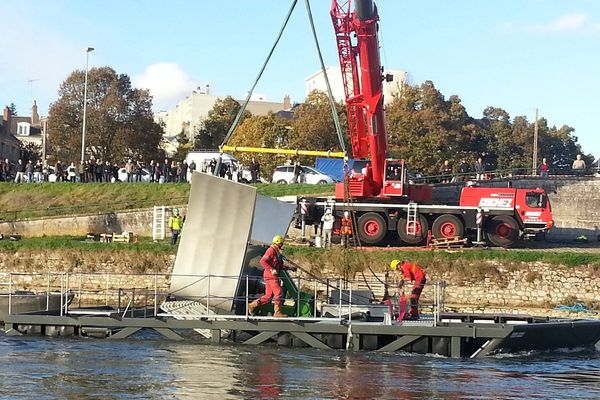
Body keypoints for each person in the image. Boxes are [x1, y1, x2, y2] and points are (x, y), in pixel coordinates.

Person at [247, 235, 294, 318]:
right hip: (271, 275)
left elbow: (278, 265)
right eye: (281, 243)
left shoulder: (276, 252)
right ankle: (277, 313)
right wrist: (271, 269)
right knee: (279, 293)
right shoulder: (271, 250)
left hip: (270, 275)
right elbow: (263, 261)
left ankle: (252, 305)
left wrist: (289, 268)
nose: (281, 245)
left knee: (268, 296)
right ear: (278, 243)